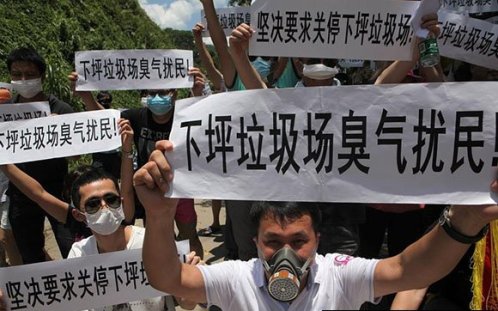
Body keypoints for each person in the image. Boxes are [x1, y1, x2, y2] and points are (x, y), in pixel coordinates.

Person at [133, 140, 498, 311]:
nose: (286, 253)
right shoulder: (237, 278)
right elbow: (169, 280)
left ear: (318, 239)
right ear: (256, 241)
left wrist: (463, 221)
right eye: (273, 240)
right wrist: (160, 216)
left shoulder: (339, 275)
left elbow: (408, 269)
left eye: (299, 239)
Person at [69, 69, 206, 259]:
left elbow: (204, 121)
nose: (156, 97)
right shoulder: (136, 117)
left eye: (162, 92)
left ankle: (196, 274)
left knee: (189, 235)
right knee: (158, 238)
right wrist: (86, 95)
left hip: (181, 189)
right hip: (150, 191)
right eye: (151, 93)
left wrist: (196, 93)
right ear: (144, 96)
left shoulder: (184, 115)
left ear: (174, 93)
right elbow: (106, 119)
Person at [5, 47, 74, 263]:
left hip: (58, 190)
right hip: (20, 193)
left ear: (42, 76)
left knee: (71, 247)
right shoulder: (4, 113)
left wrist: (61, 133)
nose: (23, 80)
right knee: (30, 254)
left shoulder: (61, 110)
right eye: (17, 74)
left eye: (30, 75)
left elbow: (76, 156)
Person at [91, 91, 122, 179]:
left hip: (114, 154)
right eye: (102, 101)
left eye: (107, 101)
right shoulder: (91, 116)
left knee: (114, 180)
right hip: (99, 155)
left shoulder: (116, 114)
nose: (105, 103)